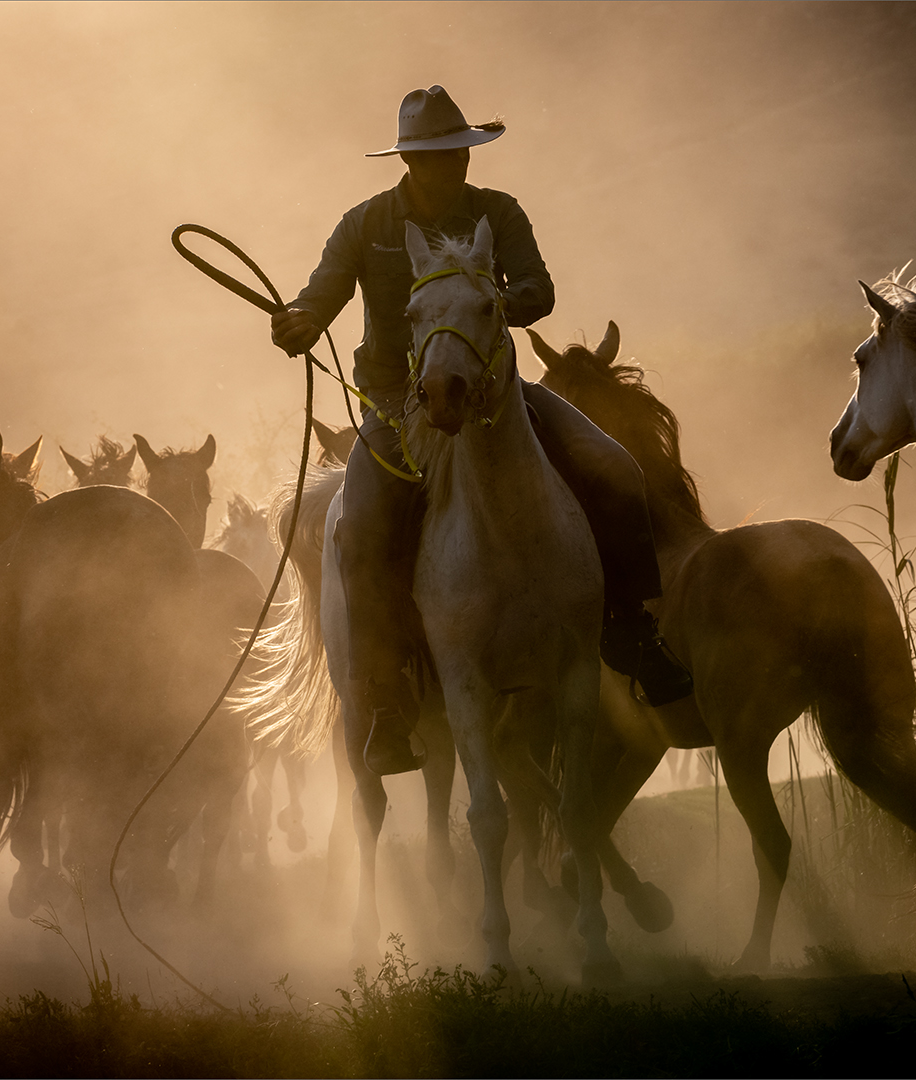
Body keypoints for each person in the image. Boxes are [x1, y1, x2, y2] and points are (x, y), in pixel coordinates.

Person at [272, 85, 692, 775]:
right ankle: (382, 701)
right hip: (393, 404)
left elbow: (538, 289)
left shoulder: (499, 213)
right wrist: (298, 321)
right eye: (435, 156)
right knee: (361, 527)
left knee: (613, 465)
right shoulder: (363, 224)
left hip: (497, 392)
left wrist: (494, 297)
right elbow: (319, 295)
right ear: (408, 159)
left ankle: (631, 629)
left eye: (457, 154)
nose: (451, 167)